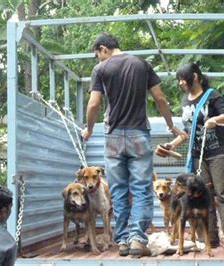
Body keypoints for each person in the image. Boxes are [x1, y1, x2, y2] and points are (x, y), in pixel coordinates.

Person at [81, 32, 185, 257]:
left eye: (98, 55)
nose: (99, 60)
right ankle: (138, 238)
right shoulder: (142, 65)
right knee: (140, 189)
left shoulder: (101, 69)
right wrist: (170, 125)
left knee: (118, 190)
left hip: (113, 136)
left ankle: (123, 241)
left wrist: (89, 129)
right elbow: (160, 99)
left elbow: (94, 104)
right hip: (138, 133)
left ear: (103, 48)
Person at [158, 62, 224, 249]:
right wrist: (171, 144)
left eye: (182, 79)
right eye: (178, 80)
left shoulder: (211, 95)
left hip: (219, 152)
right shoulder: (185, 101)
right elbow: (188, 132)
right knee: (200, 195)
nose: (180, 83)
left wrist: (214, 119)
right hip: (198, 155)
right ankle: (209, 238)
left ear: (195, 77)